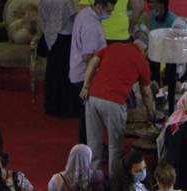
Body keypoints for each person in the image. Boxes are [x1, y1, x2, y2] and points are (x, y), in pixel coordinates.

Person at [80, 31, 156, 176]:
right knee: (115, 147)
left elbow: (94, 61)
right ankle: (114, 181)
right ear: (146, 49)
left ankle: (91, 180)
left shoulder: (113, 47)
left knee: (93, 143)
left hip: (93, 98)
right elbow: (146, 93)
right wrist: (151, 113)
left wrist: (86, 85)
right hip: (115, 102)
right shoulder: (142, 61)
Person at [69, 0, 114, 144]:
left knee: (87, 116)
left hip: (78, 71)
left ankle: (88, 146)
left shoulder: (84, 13)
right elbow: (88, 58)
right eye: (109, 11)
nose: (110, 14)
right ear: (100, 6)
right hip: (85, 76)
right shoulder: (92, 26)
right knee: (91, 119)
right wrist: (92, 83)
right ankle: (90, 147)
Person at [40, 0, 79, 118]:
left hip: (51, 36)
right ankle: (66, 108)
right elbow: (75, 17)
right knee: (65, 74)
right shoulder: (66, 2)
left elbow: (43, 17)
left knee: (53, 74)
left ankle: (53, 106)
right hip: (65, 38)